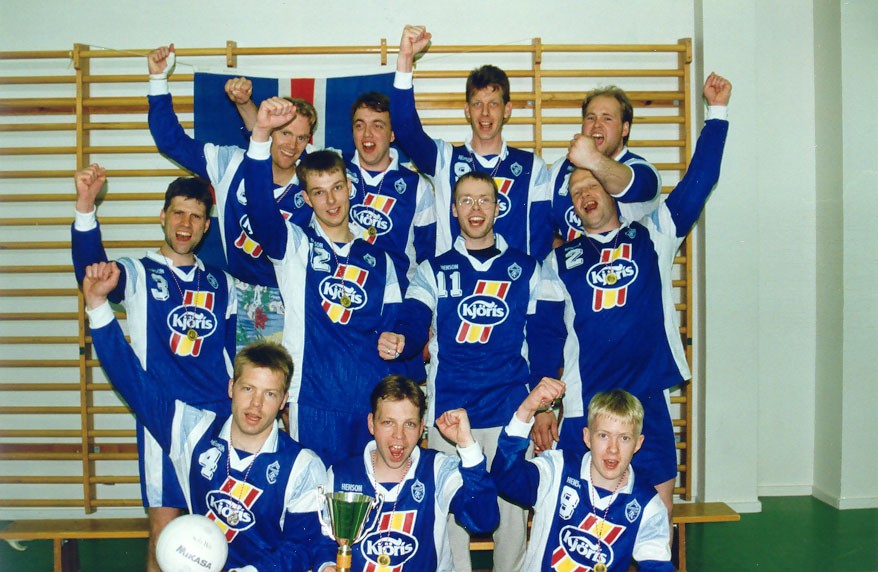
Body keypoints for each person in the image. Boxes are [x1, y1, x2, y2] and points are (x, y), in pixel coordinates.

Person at [530, 73, 732, 517]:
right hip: (584, 405)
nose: (585, 195)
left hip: (646, 400)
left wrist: (717, 113)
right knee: (579, 521)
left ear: (612, 191)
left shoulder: (654, 234)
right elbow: (544, 339)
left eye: (593, 186)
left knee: (656, 520)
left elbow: (700, 181)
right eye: (576, 191)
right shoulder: (557, 263)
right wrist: (543, 408)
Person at [81, 261, 337, 572]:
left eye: (269, 394)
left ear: (283, 400)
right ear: (231, 387)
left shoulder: (302, 466)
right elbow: (134, 383)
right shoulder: (192, 432)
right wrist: (97, 305)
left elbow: (303, 546)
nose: (256, 404)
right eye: (248, 389)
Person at [70, 165, 236, 572]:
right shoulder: (139, 271)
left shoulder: (223, 282)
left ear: (206, 226)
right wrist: (86, 205)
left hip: (217, 418)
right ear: (163, 216)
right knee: (165, 535)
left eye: (196, 216)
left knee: (218, 534)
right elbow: (93, 274)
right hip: (162, 416)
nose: (186, 224)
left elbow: (231, 354)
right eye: (178, 213)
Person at [378, 170, 540, 571]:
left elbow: (543, 341)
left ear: (498, 208)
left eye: (484, 200)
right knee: (450, 528)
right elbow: (415, 319)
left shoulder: (528, 268)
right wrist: (402, 339)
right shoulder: (433, 269)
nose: (475, 208)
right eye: (466, 200)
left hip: (509, 417)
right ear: (453, 210)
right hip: (451, 417)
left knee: (512, 530)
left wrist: (544, 408)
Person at [242, 97, 403, 467]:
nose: (331, 200)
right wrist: (261, 134)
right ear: (306, 198)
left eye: (336, 188)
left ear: (350, 188)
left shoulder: (381, 261)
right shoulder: (294, 246)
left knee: (368, 494)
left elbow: (394, 332)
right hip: (312, 400)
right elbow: (260, 207)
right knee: (313, 494)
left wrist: (397, 341)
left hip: (369, 404)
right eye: (318, 191)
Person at [147, 44, 319, 349]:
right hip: (239, 296)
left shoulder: (316, 181)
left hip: (294, 297)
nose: (292, 145)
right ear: (268, 131)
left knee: (289, 379)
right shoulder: (231, 163)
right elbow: (171, 142)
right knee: (238, 377)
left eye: (301, 137)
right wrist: (158, 79)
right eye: (285, 133)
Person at [391, 25, 553, 261]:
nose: (485, 113)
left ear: (507, 109)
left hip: (511, 281)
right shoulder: (445, 160)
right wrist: (405, 59)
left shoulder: (532, 167)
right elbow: (405, 129)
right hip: (455, 281)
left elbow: (541, 241)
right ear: (467, 110)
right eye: (478, 104)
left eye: (493, 104)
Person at [492, 379, 673, 572]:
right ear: (587, 437)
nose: (613, 449)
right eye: (603, 435)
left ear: (638, 443)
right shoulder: (557, 469)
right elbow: (505, 477)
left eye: (624, 438)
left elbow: (658, 568)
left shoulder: (647, 504)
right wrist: (527, 409)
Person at [326, 375, 499, 571]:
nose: (399, 435)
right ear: (371, 424)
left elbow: (483, 521)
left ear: (421, 428)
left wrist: (468, 446)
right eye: (388, 422)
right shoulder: (341, 476)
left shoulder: (438, 469)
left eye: (409, 424)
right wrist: (326, 565)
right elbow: (322, 542)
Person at [549, 85, 662, 243]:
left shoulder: (642, 170)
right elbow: (545, 227)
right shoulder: (559, 169)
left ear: (625, 129)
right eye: (590, 118)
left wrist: (591, 158)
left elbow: (627, 185)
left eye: (607, 118)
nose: (597, 124)